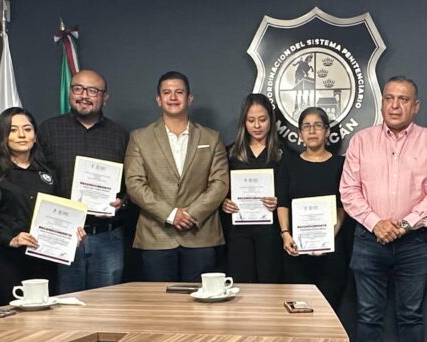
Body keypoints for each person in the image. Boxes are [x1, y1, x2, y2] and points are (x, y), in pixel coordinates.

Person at [340, 76, 427, 342]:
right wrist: (376, 223)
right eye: (389, 98)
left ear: (416, 106)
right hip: (368, 240)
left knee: (411, 315)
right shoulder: (361, 140)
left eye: (403, 99)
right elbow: (349, 190)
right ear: (382, 102)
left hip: (414, 242)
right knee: (367, 315)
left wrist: (403, 224)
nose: (395, 105)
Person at [124, 71, 230, 282]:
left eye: (179, 92)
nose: (173, 97)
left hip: (201, 235)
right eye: (167, 92)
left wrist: (191, 214)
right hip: (156, 236)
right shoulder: (139, 138)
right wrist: (171, 214)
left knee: (202, 300)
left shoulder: (211, 137)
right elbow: (134, 184)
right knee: (159, 301)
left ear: (189, 98)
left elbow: (220, 183)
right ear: (158, 100)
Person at [37, 69, 128, 293]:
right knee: (66, 304)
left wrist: (122, 202)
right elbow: (35, 179)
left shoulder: (120, 135)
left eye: (93, 91)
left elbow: (132, 183)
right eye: (78, 88)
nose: (84, 95)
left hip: (106, 236)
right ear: (70, 92)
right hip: (61, 234)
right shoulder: (48, 130)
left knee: (108, 304)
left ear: (105, 97)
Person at [0, 107, 83, 306]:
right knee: (13, 319)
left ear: (35, 136)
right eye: (13, 130)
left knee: (46, 318)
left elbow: (63, 212)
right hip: (8, 261)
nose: (22, 135)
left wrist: (72, 235)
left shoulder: (49, 173)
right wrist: (11, 239)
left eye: (27, 129)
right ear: (3, 136)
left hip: (45, 261)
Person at [277, 107, 352, 315]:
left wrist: (327, 237)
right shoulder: (289, 164)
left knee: (328, 312)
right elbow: (282, 202)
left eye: (318, 125)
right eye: (306, 126)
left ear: (327, 131)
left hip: (331, 251)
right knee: (299, 313)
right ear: (300, 133)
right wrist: (285, 234)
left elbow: (342, 206)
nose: (312, 131)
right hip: (296, 250)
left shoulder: (341, 165)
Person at [221, 94, 283, 283]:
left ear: (271, 120)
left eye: (262, 119)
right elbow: (218, 187)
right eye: (251, 120)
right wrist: (223, 202)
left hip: (270, 232)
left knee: (269, 285)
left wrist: (279, 200)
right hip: (238, 231)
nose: (257, 125)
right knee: (241, 285)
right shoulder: (230, 153)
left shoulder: (282, 154)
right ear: (244, 122)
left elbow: (290, 193)